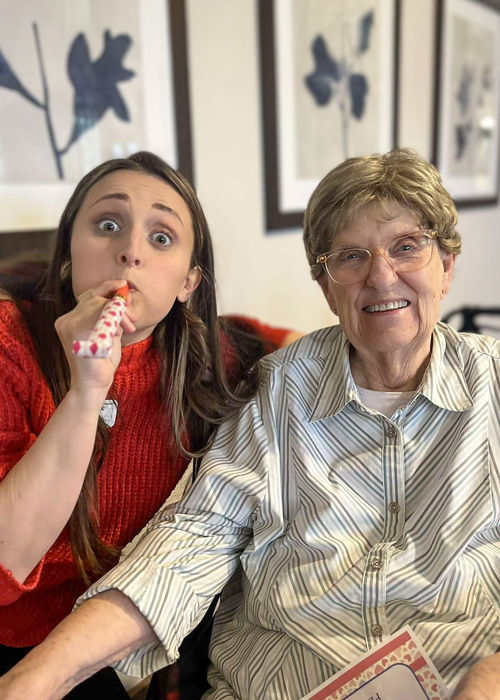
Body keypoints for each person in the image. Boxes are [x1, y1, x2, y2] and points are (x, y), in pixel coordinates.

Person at [1, 147, 498, 700]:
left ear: (447, 266)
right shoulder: (277, 391)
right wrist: (36, 679)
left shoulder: (492, 386)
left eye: (407, 248)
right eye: (351, 257)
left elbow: (232, 333)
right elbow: (189, 545)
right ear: (325, 284)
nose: (382, 277)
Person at [0, 151, 297, 699]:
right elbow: (7, 561)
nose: (129, 251)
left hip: (114, 644)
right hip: (14, 640)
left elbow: (315, 351)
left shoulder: (212, 356)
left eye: (161, 237)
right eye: (107, 225)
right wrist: (87, 389)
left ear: (188, 281)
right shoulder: (9, 344)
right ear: (67, 257)